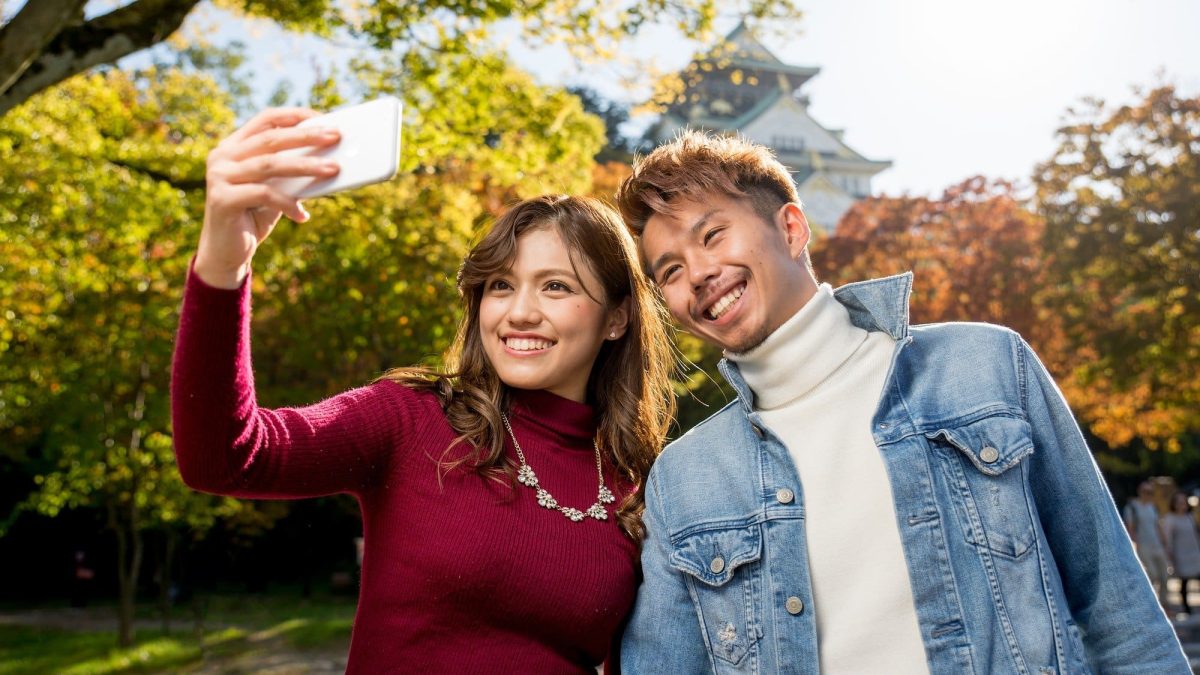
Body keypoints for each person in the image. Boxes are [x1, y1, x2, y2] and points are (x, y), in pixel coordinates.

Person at [614, 131, 1189, 673]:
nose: (699, 274)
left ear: (791, 229)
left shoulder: (984, 368)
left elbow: (1116, 611)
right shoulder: (687, 476)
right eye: (670, 271)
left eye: (713, 235)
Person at [171, 107, 675, 673]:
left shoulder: (643, 486)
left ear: (617, 318)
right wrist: (223, 262)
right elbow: (227, 457)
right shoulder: (412, 418)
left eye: (556, 287)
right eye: (501, 286)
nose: (520, 312)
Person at [1123, 480, 1171, 610]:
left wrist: (1165, 542)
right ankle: (1150, 605)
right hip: (1143, 545)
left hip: (1157, 545)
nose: (1147, 494)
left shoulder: (1152, 507)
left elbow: (1157, 525)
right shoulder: (1132, 507)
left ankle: (1163, 604)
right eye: (1145, 492)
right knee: (1152, 575)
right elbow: (1130, 528)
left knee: (1165, 576)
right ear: (1139, 492)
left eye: (1150, 492)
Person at [1164, 492, 1200, 616]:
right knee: (1185, 582)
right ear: (1174, 504)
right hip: (1181, 554)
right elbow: (1167, 538)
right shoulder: (1170, 519)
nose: (1182, 505)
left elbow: (1195, 534)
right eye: (1179, 503)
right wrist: (1170, 554)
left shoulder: (1190, 516)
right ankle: (1187, 608)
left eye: (1184, 502)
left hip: (1194, 553)